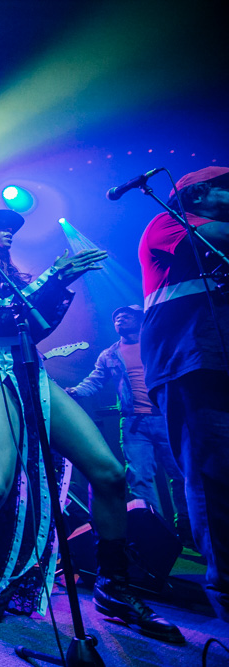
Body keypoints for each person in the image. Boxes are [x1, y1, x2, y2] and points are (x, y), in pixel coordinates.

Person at [0, 208, 182, 643]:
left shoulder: (14, 275)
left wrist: (63, 281)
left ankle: (114, 587)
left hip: (29, 369)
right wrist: (56, 275)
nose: (8, 235)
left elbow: (38, 327)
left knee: (110, 473)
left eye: (12, 230)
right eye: (0, 229)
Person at [138, 166, 229, 620]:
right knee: (213, 474)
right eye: (226, 187)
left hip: (216, 358)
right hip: (190, 363)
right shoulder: (166, 223)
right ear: (198, 192)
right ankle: (226, 588)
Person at [66, 305, 189, 536]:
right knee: (139, 479)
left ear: (140, 320)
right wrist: (75, 392)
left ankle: (186, 526)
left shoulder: (156, 343)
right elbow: (95, 381)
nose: (119, 318)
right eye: (116, 318)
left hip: (167, 418)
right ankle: (155, 532)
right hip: (134, 425)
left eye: (126, 315)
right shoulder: (110, 354)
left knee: (181, 474)